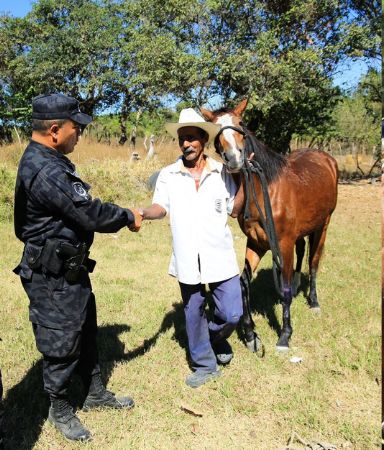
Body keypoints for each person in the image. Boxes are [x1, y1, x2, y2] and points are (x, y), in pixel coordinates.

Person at [13, 93, 143, 442]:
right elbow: (90, 212)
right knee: (61, 340)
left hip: (69, 268)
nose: (79, 135)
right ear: (55, 130)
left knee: (85, 329)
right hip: (51, 275)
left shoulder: (48, 159)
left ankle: (94, 392)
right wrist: (130, 216)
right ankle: (61, 407)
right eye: (76, 128)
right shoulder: (45, 169)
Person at [138, 108, 243, 388]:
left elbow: (235, 209)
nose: (186, 144)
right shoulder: (169, 174)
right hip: (187, 255)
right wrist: (143, 212)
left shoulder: (222, 172)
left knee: (233, 312)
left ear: (203, 141)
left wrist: (241, 174)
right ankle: (204, 364)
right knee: (193, 311)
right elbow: (161, 207)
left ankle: (213, 338)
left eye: (192, 138)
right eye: (182, 138)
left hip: (219, 254)